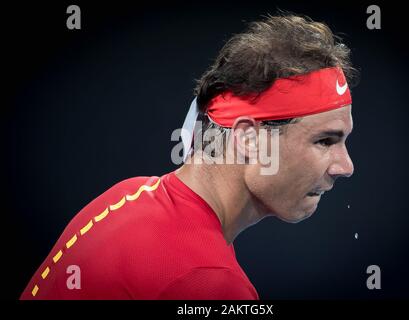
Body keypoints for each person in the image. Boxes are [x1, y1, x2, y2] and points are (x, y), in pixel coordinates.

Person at [21, 13, 356, 300]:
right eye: (326, 141)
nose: (346, 167)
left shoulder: (130, 194)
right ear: (250, 139)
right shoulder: (206, 281)